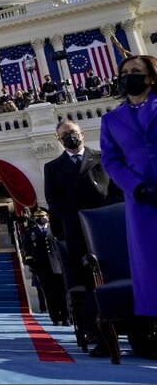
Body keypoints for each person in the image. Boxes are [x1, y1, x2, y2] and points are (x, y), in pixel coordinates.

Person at [43, 119, 123, 355]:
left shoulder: (102, 158)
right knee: (91, 284)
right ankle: (102, 335)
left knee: (117, 276)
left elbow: (117, 192)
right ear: (58, 140)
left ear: (82, 133)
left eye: (73, 132)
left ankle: (139, 332)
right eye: (64, 135)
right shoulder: (53, 167)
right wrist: (80, 216)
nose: (70, 137)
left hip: (108, 230)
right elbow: (54, 201)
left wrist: (103, 215)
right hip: (79, 231)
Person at [100, 54, 157, 317]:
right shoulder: (111, 120)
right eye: (124, 73)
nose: (128, 77)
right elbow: (111, 161)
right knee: (151, 264)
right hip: (143, 201)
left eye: (135, 71)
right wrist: (139, 188)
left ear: (151, 77)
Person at [22, 210, 69, 326]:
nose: (41, 218)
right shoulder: (30, 233)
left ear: (47, 217)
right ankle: (55, 318)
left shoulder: (55, 229)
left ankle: (65, 318)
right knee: (49, 294)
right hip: (42, 267)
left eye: (43, 216)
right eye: (38, 217)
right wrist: (31, 264)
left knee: (62, 293)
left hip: (58, 266)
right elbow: (27, 250)